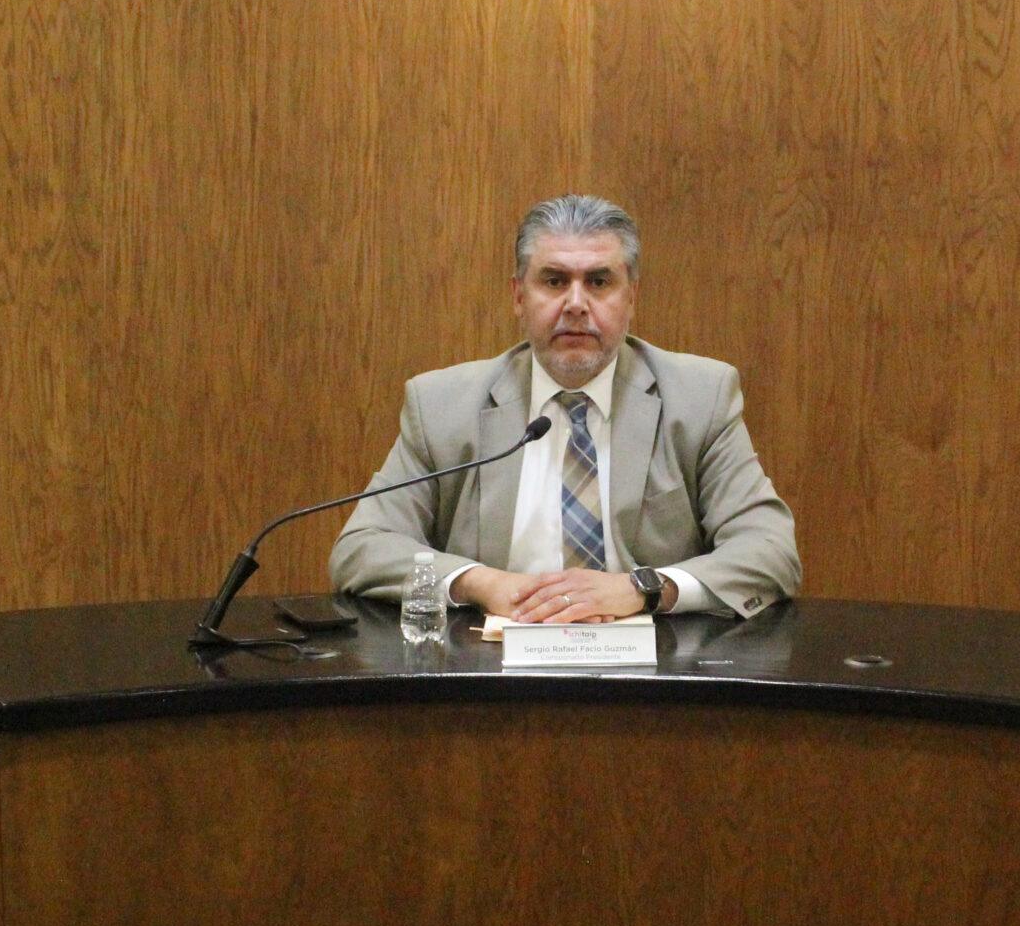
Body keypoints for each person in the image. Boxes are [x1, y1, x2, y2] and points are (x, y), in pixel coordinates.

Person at [331, 194, 799, 621]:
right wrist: (481, 583)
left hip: (654, 666)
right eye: (554, 281)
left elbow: (770, 549)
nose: (576, 303)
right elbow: (362, 547)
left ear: (631, 297)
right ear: (519, 296)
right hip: (489, 665)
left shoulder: (699, 397)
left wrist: (644, 588)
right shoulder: (443, 406)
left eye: (599, 282)